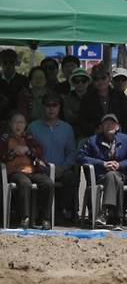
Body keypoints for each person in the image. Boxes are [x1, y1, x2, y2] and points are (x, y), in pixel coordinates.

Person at [78, 113, 127, 229]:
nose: (109, 126)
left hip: (120, 173)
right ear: (101, 127)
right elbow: (81, 157)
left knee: (113, 176)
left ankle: (104, 212)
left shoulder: (125, 139)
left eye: (112, 123)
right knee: (114, 179)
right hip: (101, 175)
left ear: (117, 127)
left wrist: (119, 165)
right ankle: (117, 219)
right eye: (106, 123)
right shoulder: (93, 140)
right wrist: (103, 164)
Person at [27, 92, 78, 224]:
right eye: (48, 105)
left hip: (61, 169)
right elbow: (29, 151)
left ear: (60, 107)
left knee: (71, 178)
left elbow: (72, 152)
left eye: (54, 105)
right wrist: (38, 164)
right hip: (39, 169)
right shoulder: (33, 127)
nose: (51, 108)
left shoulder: (67, 128)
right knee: (43, 182)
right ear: (43, 107)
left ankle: (62, 211)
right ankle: (42, 214)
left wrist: (63, 167)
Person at [0, 112, 54, 230]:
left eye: (21, 123)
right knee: (25, 183)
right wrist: (12, 152)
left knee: (48, 183)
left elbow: (40, 151)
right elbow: (1, 154)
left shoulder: (28, 138)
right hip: (14, 172)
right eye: (16, 122)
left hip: (32, 171)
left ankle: (46, 219)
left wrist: (28, 150)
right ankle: (25, 218)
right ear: (10, 124)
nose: (18, 125)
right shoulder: (5, 138)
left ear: (25, 125)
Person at [79, 64, 127, 137]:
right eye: (96, 79)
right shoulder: (86, 98)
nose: (100, 81)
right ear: (92, 80)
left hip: (117, 137)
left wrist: (123, 138)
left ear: (109, 78)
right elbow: (82, 121)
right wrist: (95, 131)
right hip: (95, 138)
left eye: (103, 78)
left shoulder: (120, 96)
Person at [62, 68, 91, 140]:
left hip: (90, 135)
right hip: (71, 135)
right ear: (72, 82)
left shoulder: (94, 97)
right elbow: (69, 118)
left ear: (88, 82)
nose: (80, 83)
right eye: (76, 81)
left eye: (83, 80)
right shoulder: (67, 99)